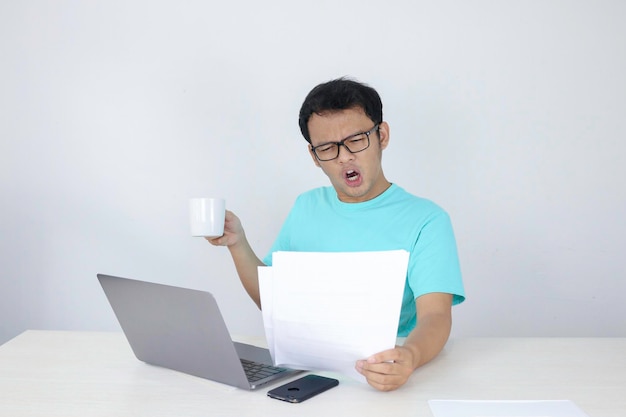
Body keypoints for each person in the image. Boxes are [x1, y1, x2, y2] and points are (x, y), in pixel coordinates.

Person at [208, 77, 465, 391]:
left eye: (356, 140)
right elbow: (275, 302)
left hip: (383, 370)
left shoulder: (427, 220)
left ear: (381, 135)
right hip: (308, 373)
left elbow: (436, 317)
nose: (344, 157)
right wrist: (238, 244)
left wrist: (408, 355)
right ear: (315, 156)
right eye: (328, 148)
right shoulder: (306, 207)